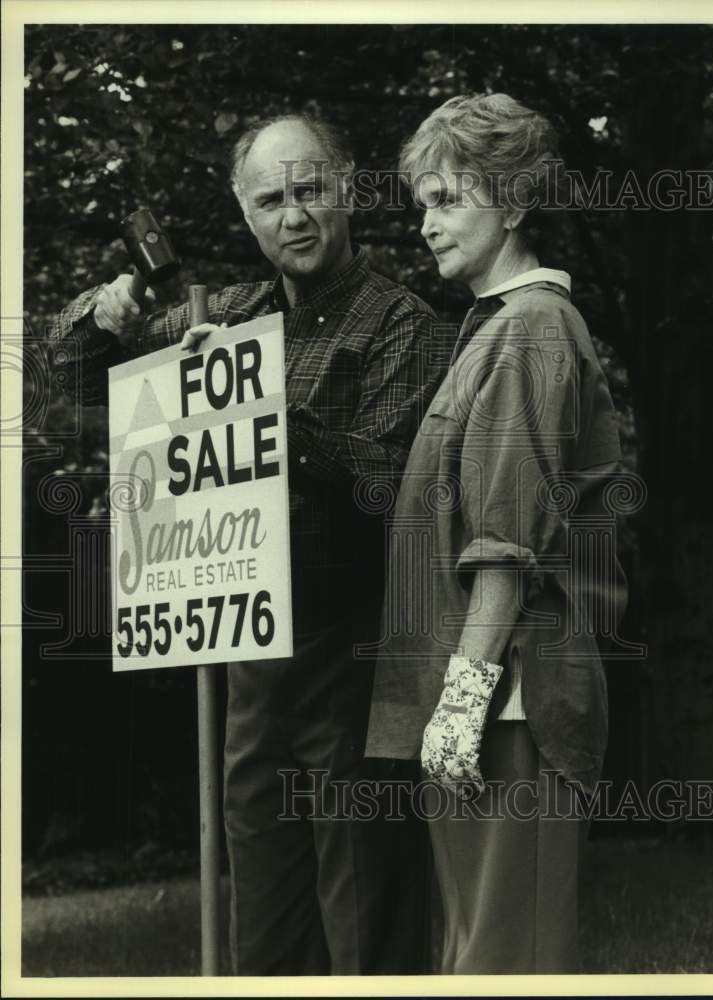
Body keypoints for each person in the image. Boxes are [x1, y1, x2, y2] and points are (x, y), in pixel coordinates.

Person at [49, 112, 447, 975]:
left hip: (357, 667)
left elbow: (383, 485)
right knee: (264, 939)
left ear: (345, 186)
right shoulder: (220, 318)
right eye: (270, 200)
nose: (293, 217)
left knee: (368, 931)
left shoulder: (403, 326)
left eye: (309, 191)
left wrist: (267, 416)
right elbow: (73, 391)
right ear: (243, 213)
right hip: (248, 671)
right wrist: (105, 317)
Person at [365, 93, 628, 974]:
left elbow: (505, 544)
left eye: (447, 200)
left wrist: (464, 695)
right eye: (422, 205)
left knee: (503, 964)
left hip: (510, 703)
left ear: (513, 204)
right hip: (481, 705)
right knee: (474, 958)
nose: (427, 225)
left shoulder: (529, 331)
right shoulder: (491, 331)